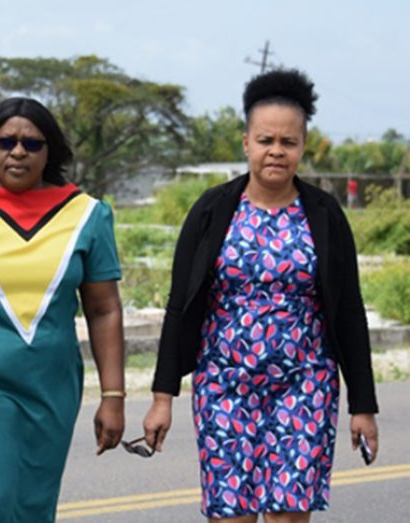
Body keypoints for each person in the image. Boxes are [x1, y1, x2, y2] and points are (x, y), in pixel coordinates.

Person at [142, 69, 379, 523]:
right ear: (246, 142)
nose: (276, 151)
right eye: (266, 139)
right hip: (224, 386)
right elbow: (180, 305)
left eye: (288, 142)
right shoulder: (211, 210)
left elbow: (349, 311)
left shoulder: (325, 214)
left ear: (302, 147)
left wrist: (363, 405)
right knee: (231, 514)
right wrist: (162, 396)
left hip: (305, 386)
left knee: (288, 514)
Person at [0, 97, 126, 522]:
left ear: (50, 152)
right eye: (6, 141)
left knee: (33, 507)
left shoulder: (87, 215)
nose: (17, 152)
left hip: (53, 383)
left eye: (32, 144)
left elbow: (104, 310)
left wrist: (114, 396)